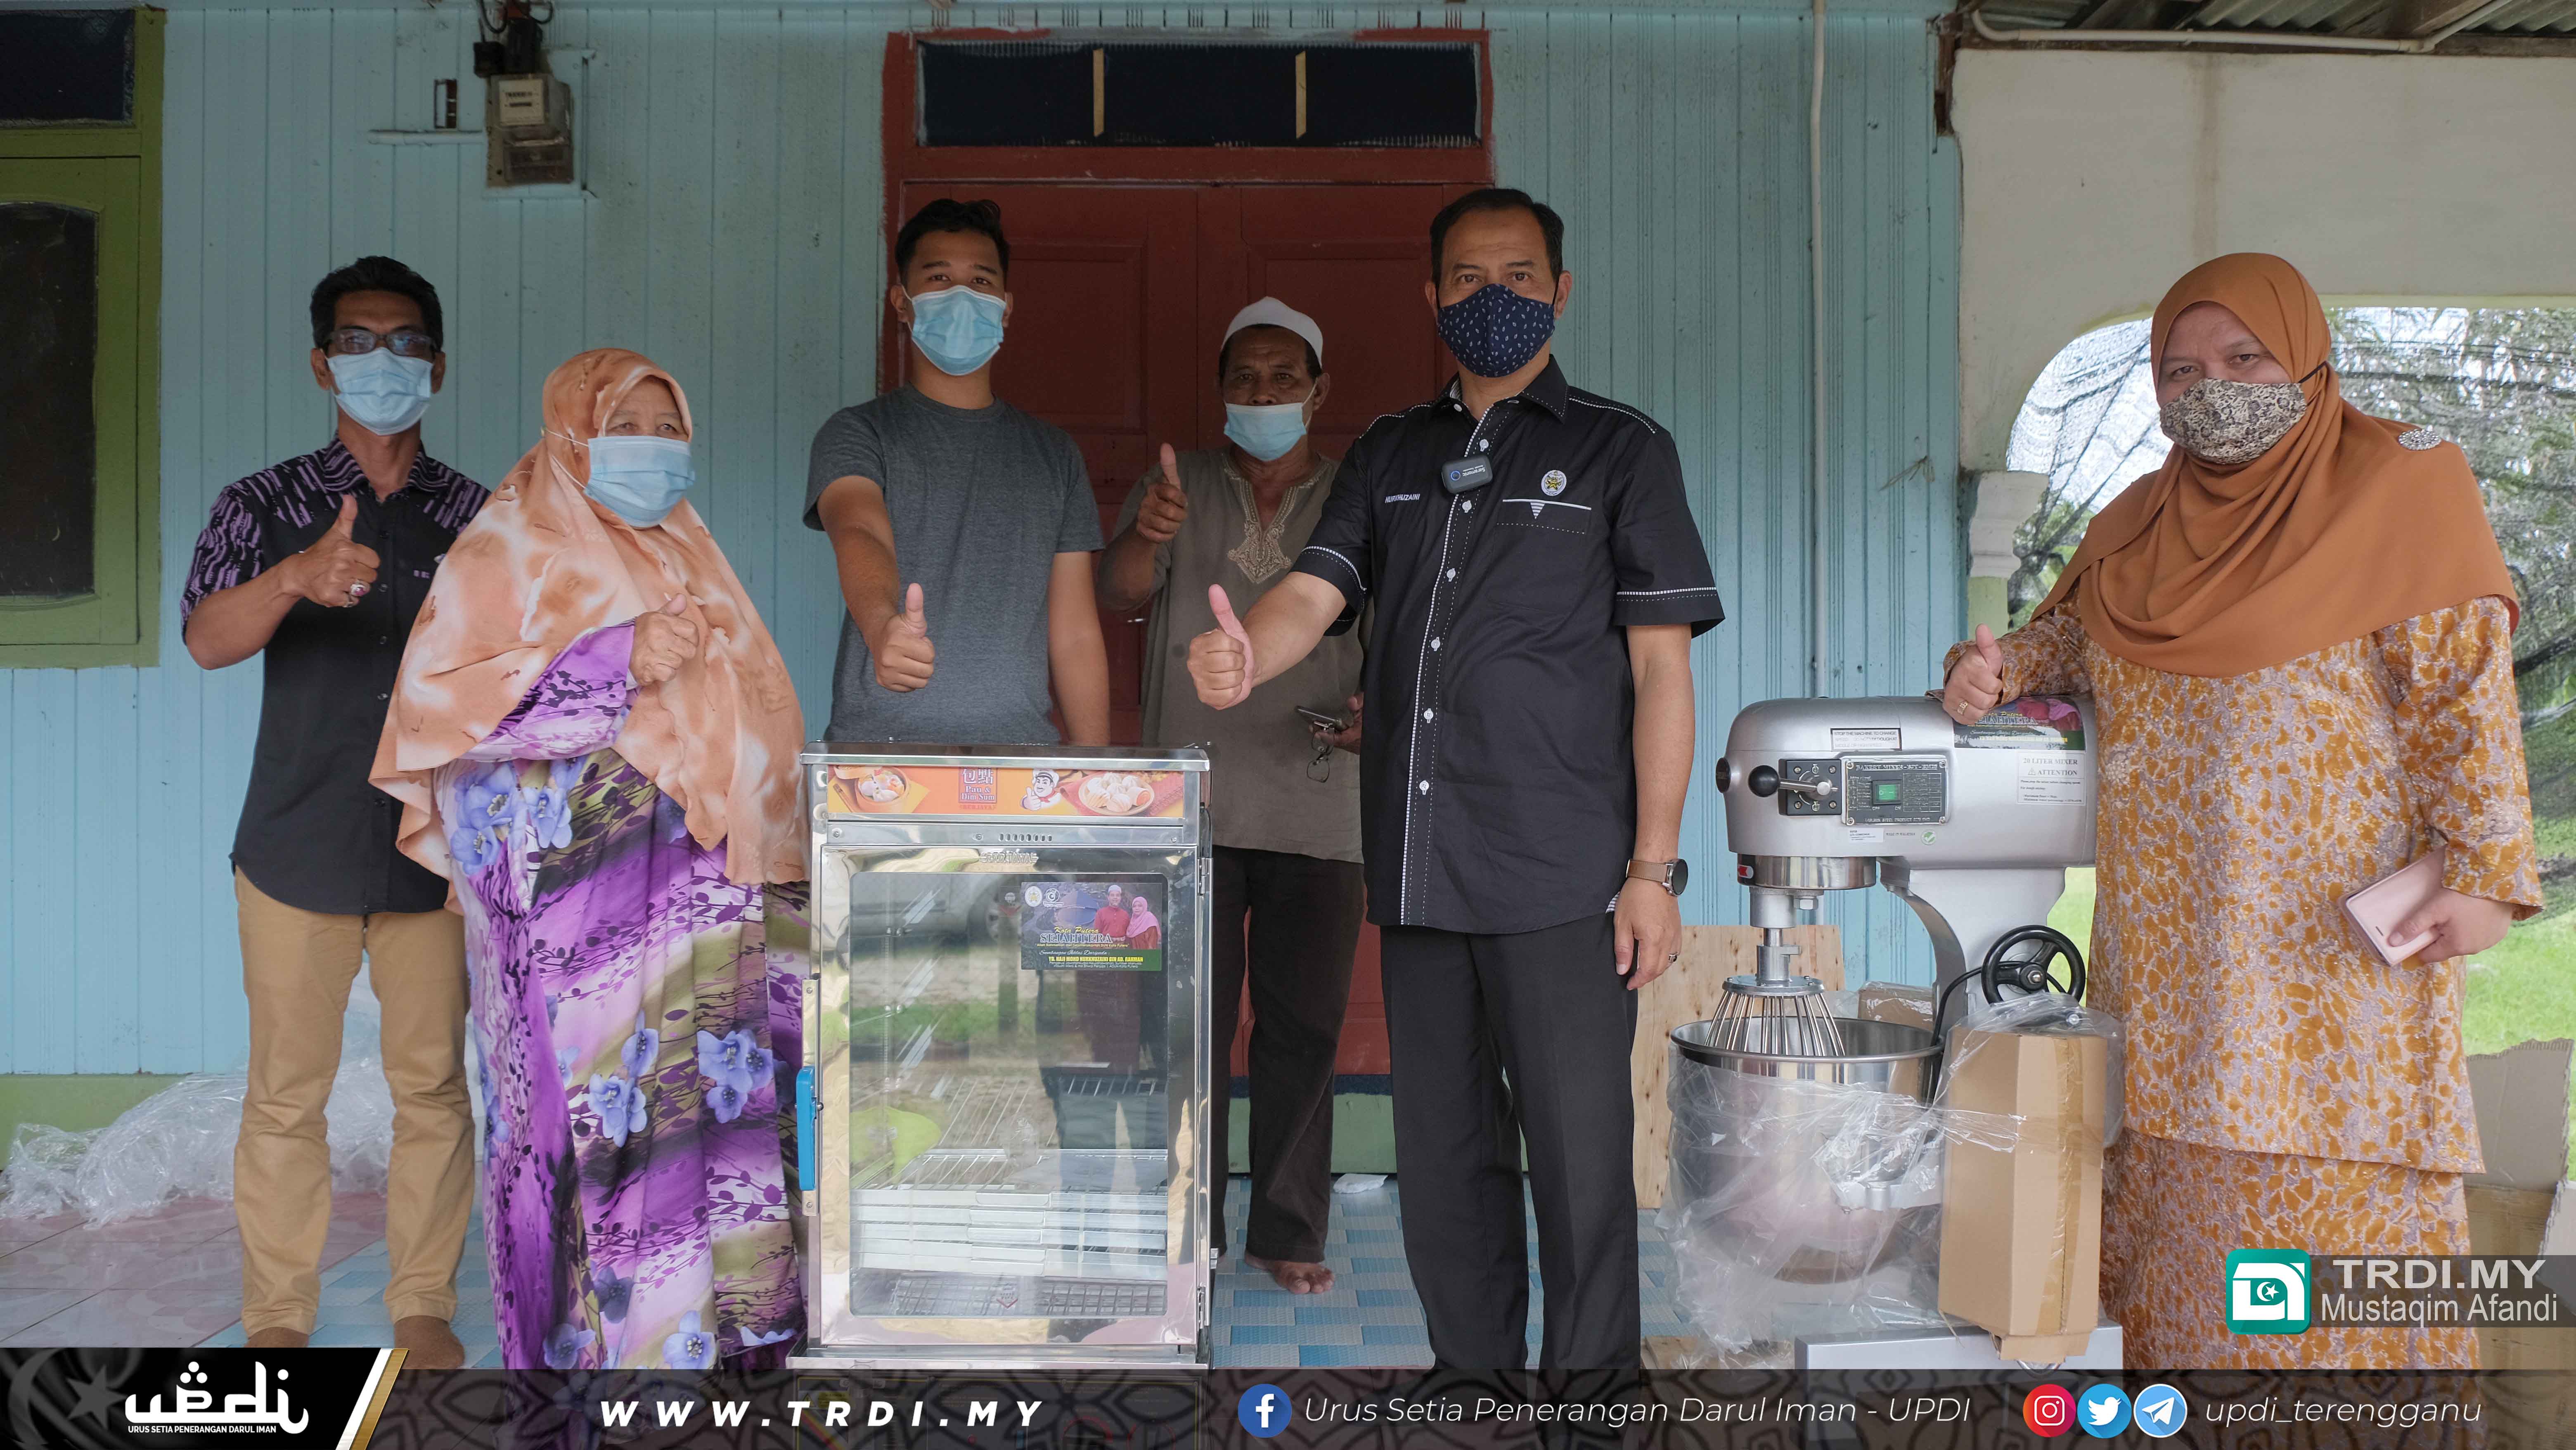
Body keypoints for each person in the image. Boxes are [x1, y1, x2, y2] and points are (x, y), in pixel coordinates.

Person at [1939, 254, 2540, 1370]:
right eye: (2178, 369)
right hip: (2171, 977)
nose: (2209, 386)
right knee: (2188, 1285)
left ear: (2308, 360)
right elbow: (2065, 641)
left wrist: (2487, 873)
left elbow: (2467, 698)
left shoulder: (2405, 491)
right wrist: (1996, 667)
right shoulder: (2142, 525)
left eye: (2243, 357)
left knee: (2330, 1302)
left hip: (2330, 989)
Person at [1185, 190, 1723, 1367]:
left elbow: (1662, 670)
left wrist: (1654, 868)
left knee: (1580, 1167)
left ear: (1561, 292)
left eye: (1520, 276)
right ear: (1433, 298)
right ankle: (1474, 1380)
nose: (1495, 298)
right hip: (1423, 873)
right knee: (1444, 1161)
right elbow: (1313, 595)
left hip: (1566, 877)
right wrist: (1246, 652)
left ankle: (1590, 1397)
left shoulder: (1621, 451)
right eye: (1469, 278)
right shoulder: (1390, 453)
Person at [371, 349, 809, 1369]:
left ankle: (725, 1346)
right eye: (631, 423)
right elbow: (445, 710)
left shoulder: (692, 551)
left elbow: (752, 717)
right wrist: (610, 660)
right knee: (601, 1126)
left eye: (669, 427)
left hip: (706, 897)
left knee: (713, 1109)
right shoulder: (508, 547)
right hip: (588, 916)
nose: (654, 448)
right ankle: (602, 1364)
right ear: (574, 430)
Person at [181, 256, 484, 1364]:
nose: (381, 362)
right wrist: (295, 578)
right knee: (285, 1097)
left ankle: (423, 1307)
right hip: (293, 844)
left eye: (405, 343)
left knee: (435, 1090)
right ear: (321, 364)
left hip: (436, 850)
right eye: (356, 343)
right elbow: (208, 641)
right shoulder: (259, 506)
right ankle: (276, 1321)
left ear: (437, 367)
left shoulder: (480, 519)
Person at [1098, 297, 1366, 1296]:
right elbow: (1121, 593)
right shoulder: (1178, 486)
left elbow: (1400, 632)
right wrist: (1143, 534)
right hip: (1192, 808)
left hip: (1318, 802)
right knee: (1184, 1031)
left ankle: (1289, 1231)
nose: (1262, 394)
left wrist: (1375, 714)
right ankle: (1187, 1229)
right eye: (1243, 378)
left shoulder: (1358, 495)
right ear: (1221, 393)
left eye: (1283, 377)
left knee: (1304, 1028)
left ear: (1318, 390)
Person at [805, 197, 1111, 746]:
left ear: (1006, 306)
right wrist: (882, 628)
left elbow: (1074, 635)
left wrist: (1099, 777)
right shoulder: (859, 433)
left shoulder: (1054, 454)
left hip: (1021, 763)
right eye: (940, 279)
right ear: (902, 303)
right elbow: (859, 530)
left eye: (981, 283)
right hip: (878, 763)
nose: (962, 298)